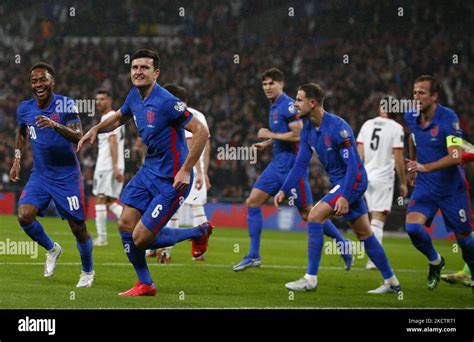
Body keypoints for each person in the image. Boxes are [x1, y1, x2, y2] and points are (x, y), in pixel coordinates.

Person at [78, 49, 213, 296]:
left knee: (141, 238)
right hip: (149, 171)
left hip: (172, 178)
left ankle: (198, 231)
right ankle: (146, 284)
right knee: (125, 224)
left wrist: (186, 170)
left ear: (156, 72)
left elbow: (201, 131)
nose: (138, 71)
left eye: (144, 67)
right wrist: (96, 129)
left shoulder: (167, 101)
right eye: (134, 67)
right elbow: (119, 117)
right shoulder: (134, 96)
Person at [275, 83, 401, 294]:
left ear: (312, 103)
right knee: (364, 234)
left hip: (353, 181)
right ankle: (392, 282)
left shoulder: (338, 127)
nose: (294, 104)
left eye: (299, 100)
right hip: (343, 183)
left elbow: (352, 165)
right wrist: (283, 189)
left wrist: (344, 196)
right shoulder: (307, 129)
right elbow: (300, 165)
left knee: (314, 216)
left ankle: (310, 279)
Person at [233, 68, 352, 272]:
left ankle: (342, 243)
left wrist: (269, 134)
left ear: (282, 84)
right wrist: (268, 142)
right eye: (265, 84)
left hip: (292, 165)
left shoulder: (288, 106)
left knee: (308, 214)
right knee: (252, 202)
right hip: (277, 163)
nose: (268, 87)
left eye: (272, 83)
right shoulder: (274, 106)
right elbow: (284, 133)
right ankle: (253, 255)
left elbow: (298, 135)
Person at [9, 62, 94, 288]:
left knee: (78, 227)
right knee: (24, 216)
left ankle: (87, 271)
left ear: (52, 81)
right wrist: (17, 159)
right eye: (34, 81)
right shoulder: (25, 108)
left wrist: (55, 125)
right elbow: (21, 133)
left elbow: (79, 136)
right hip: (41, 174)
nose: (38, 84)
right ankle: (52, 248)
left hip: (67, 176)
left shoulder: (66, 104)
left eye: (43, 79)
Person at [404, 75, 474, 290]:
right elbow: (413, 137)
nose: (416, 97)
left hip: (451, 188)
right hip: (426, 185)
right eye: (415, 92)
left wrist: (425, 167)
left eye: (422, 93)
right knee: (413, 228)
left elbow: (454, 157)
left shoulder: (448, 118)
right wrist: (415, 162)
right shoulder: (410, 115)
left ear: (434, 96)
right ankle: (435, 261)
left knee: (465, 240)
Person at [146, 83, 212, 263]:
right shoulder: (199, 115)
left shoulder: (178, 115)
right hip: (186, 168)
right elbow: (206, 144)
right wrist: (204, 171)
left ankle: (164, 251)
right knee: (193, 206)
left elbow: (192, 144)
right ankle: (196, 253)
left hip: (182, 169)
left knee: (172, 208)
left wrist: (198, 171)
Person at [356, 95, 408, 269]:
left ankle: (371, 257)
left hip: (366, 177)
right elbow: (399, 157)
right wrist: (403, 181)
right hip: (383, 177)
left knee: (371, 219)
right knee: (378, 220)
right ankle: (374, 260)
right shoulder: (396, 128)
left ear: (381, 108)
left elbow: (359, 153)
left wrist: (356, 175)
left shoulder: (367, 124)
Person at [92, 90, 125, 246]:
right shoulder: (116, 117)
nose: (99, 102)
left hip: (107, 166)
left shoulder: (108, 118)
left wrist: (114, 167)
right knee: (110, 201)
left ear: (109, 101)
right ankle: (135, 224)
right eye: (97, 99)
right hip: (115, 165)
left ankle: (102, 238)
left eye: (102, 99)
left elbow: (113, 142)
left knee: (100, 198)